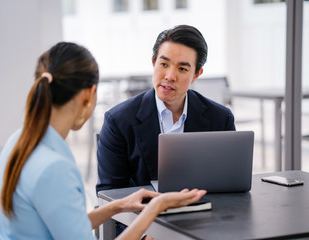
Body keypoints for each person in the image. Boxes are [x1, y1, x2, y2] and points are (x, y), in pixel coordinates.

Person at [0, 42, 206, 240]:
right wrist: (153, 208)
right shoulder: (55, 169)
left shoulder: (18, 141)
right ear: (90, 94)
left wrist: (116, 206)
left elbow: (67, 225)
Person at [96, 25, 236, 192]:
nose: (170, 76)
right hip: (143, 215)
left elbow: (230, 185)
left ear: (197, 74)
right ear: (154, 62)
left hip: (205, 212)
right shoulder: (118, 121)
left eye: (182, 69)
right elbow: (109, 192)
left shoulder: (220, 118)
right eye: (164, 64)